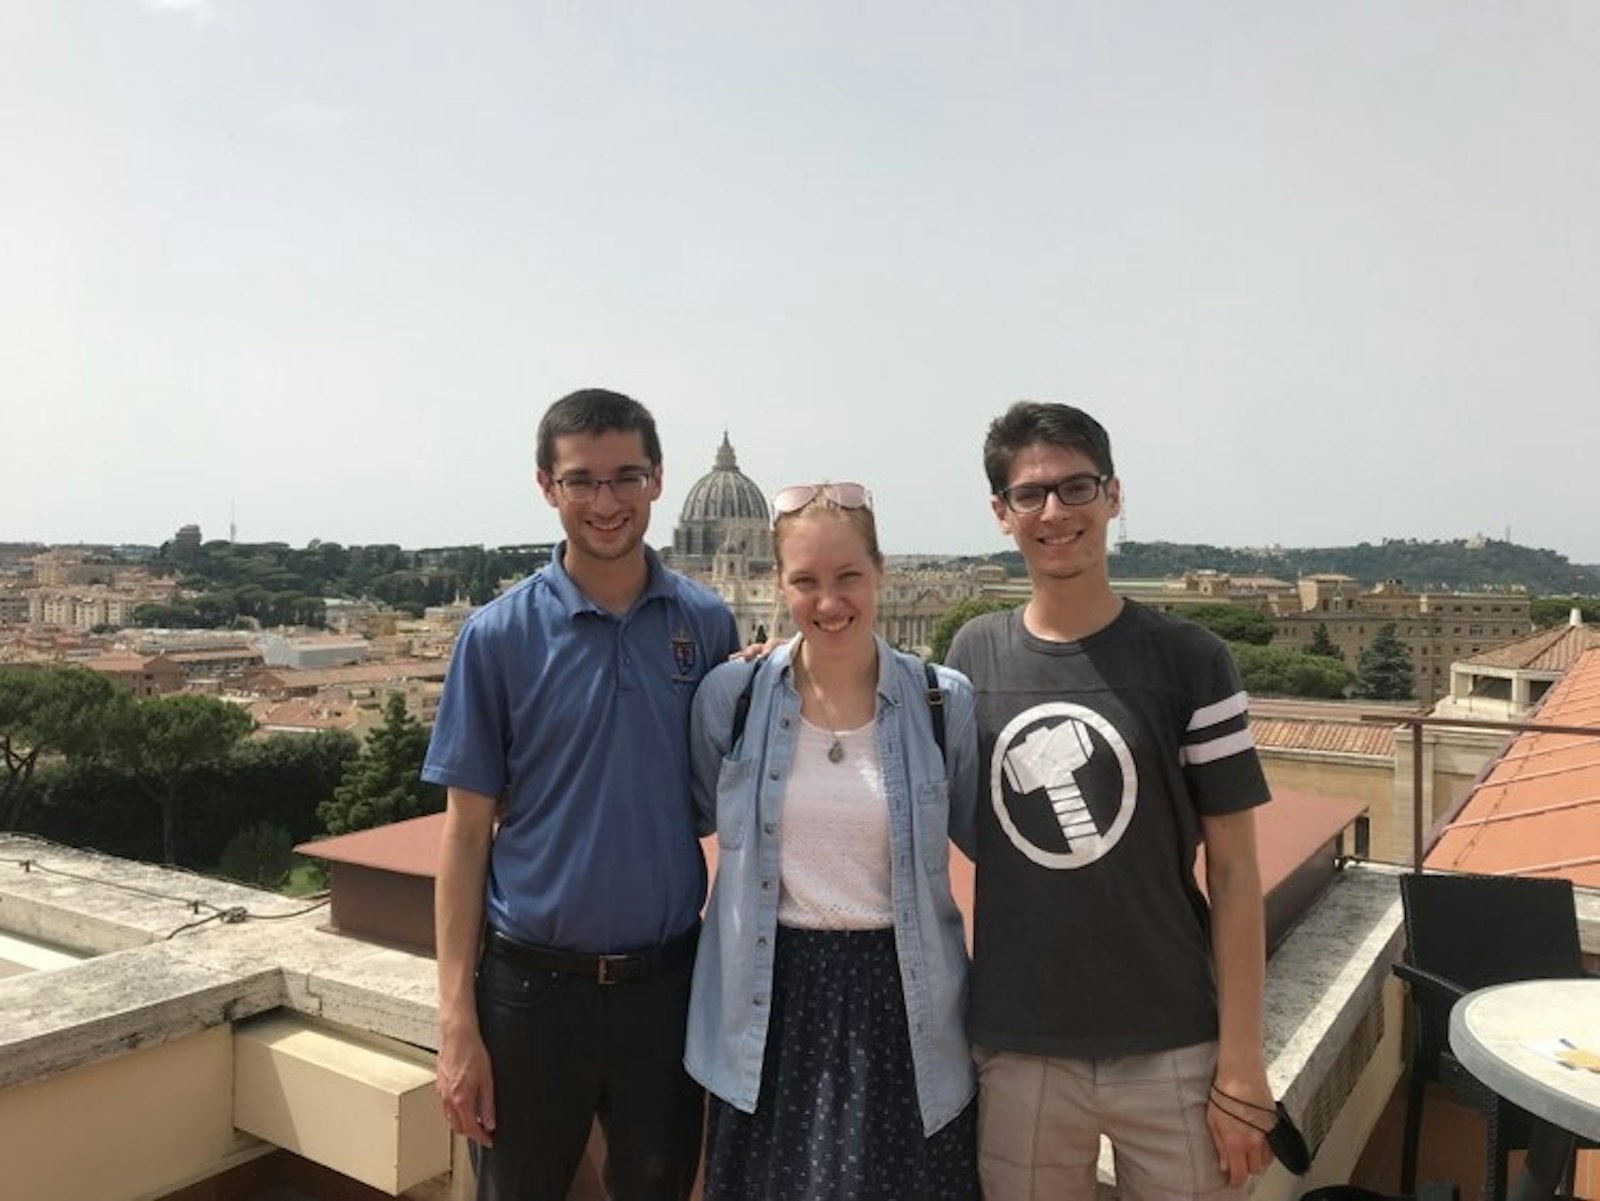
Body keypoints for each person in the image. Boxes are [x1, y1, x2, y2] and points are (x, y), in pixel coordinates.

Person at [945, 401, 1276, 1201]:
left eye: (1076, 487)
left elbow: (1235, 876)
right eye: (1030, 494)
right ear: (1002, 513)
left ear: (1114, 495)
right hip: (1020, 1047)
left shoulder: (1193, 660)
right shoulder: (971, 653)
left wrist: (1242, 1067)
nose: (1055, 512)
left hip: (1176, 1047)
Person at [424, 388, 739, 1201]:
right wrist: (456, 1019)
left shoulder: (707, 624)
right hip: (529, 996)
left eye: (625, 477)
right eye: (582, 480)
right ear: (547, 486)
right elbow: (463, 837)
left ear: (658, 481)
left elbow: (732, 795)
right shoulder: (494, 636)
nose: (606, 502)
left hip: (668, 989)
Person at [684, 482, 981, 1200]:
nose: (829, 600)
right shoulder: (732, 696)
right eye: (806, 580)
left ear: (881, 571)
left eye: (848, 575)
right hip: (768, 1002)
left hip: (905, 999)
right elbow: (690, 818)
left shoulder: (946, 702)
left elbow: (995, 854)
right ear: (774, 583)